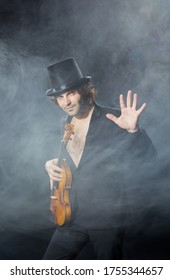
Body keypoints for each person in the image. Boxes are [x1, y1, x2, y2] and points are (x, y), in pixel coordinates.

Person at [43, 57, 156, 260]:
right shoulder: (64, 122)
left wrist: (134, 131)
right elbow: (70, 161)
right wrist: (50, 164)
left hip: (106, 220)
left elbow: (148, 157)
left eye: (71, 93)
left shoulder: (114, 119)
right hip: (70, 215)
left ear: (85, 90)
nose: (65, 102)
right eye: (60, 97)